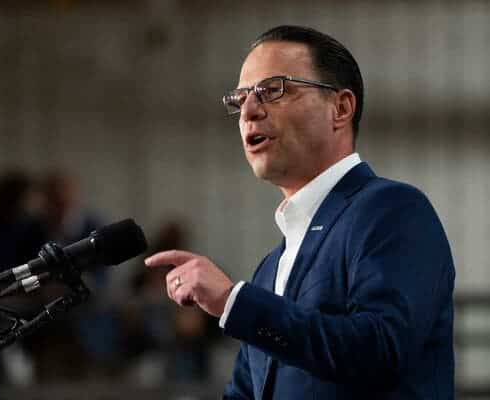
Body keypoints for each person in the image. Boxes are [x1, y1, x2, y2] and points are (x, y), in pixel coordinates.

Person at [145, 25, 455, 399]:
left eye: (272, 90)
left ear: (340, 108)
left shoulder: (392, 210)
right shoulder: (268, 271)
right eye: (240, 99)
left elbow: (381, 349)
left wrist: (232, 302)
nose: (249, 112)